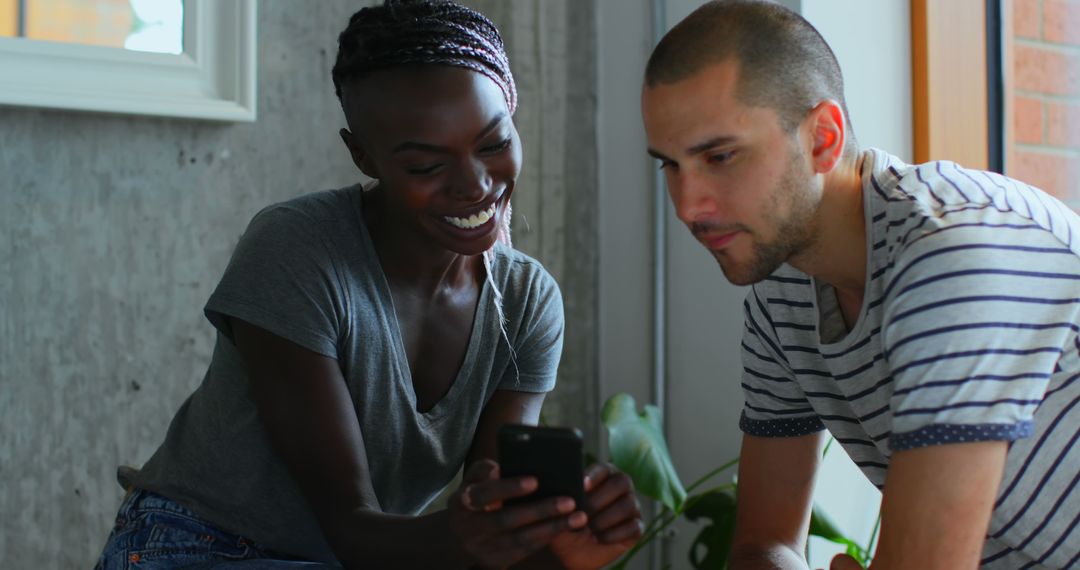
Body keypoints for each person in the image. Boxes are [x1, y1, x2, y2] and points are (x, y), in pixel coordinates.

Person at [95, 1, 643, 568]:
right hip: (196, 546)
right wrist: (470, 538)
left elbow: (482, 535)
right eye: (427, 166)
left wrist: (560, 546)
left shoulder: (528, 302)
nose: (476, 185)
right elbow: (352, 530)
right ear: (363, 154)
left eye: (493, 144)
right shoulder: (297, 251)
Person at [640, 1, 1079, 569]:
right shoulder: (784, 291)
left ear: (823, 138)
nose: (688, 207)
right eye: (670, 166)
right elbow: (761, 544)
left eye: (720, 157)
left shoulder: (952, 255)